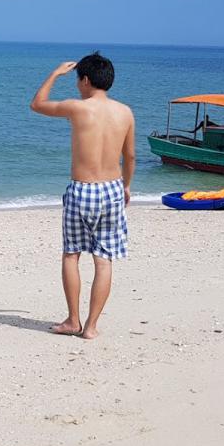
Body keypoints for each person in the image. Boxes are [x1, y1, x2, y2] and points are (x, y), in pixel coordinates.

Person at [30, 52, 135, 341]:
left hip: (82, 190)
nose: (76, 85)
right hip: (112, 188)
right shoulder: (125, 112)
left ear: (85, 80)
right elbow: (130, 155)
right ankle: (90, 327)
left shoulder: (78, 108)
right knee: (103, 260)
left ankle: (73, 320)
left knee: (71, 254)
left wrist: (55, 73)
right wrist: (126, 186)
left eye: (77, 80)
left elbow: (37, 104)